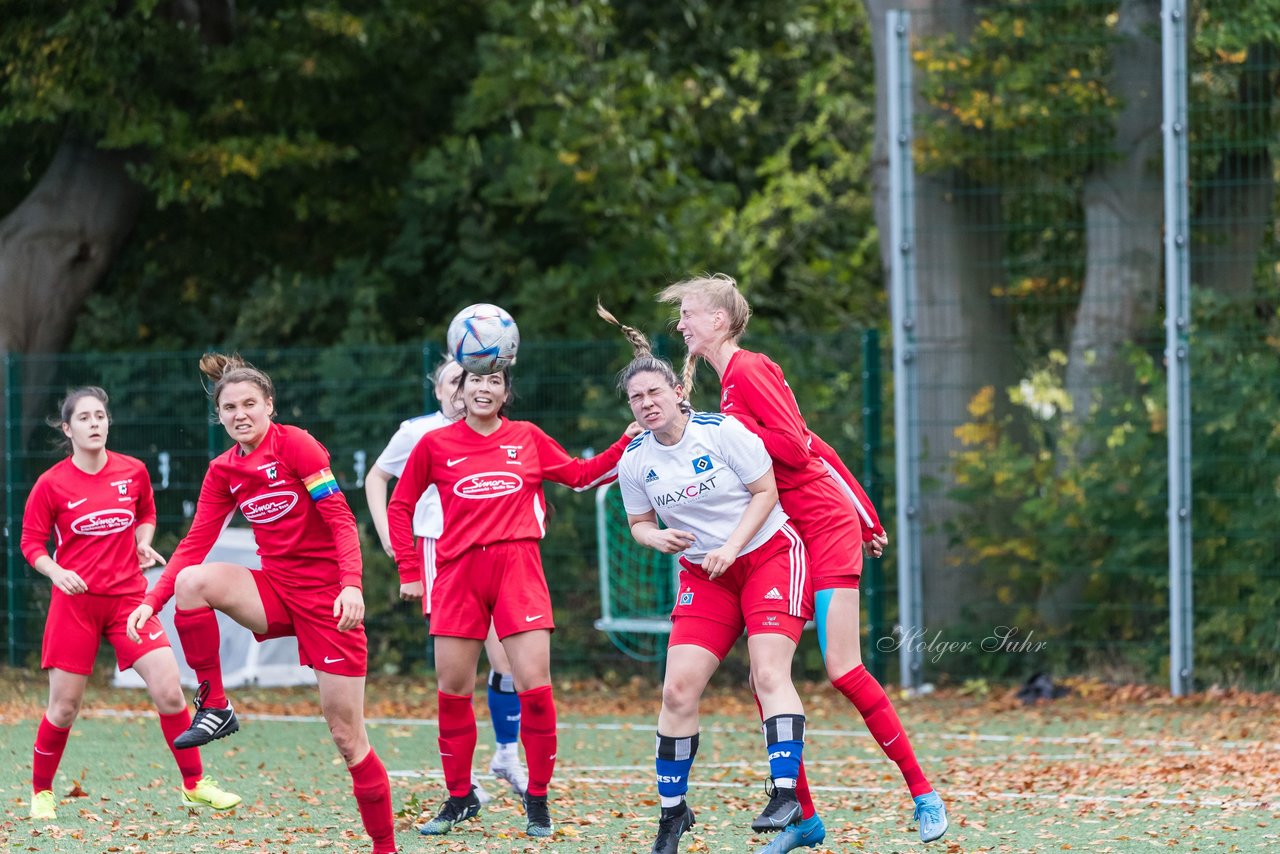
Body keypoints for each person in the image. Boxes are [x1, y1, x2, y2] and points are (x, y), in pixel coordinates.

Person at [659, 274, 949, 847]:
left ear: (719, 320)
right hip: (787, 534)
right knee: (766, 678)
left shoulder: (748, 369)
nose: (682, 323)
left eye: (689, 313)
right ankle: (807, 820)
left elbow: (795, 447)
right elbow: (816, 443)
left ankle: (924, 794)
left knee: (843, 669)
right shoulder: (728, 387)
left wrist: (859, 517)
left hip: (822, 525)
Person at [124, 354, 397, 854]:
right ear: (220, 415)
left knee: (346, 736)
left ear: (269, 405)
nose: (240, 414)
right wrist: (151, 598)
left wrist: (352, 585)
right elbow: (194, 542)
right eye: (229, 407)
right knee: (190, 582)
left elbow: (340, 519)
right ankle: (217, 706)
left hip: (327, 601)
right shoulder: (223, 470)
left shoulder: (296, 445)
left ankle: (385, 847)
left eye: (250, 403)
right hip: (273, 590)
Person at [387, 364, 637, 839]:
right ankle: (460, 797)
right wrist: (410, 571)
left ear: (506, 392)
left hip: (518, 569)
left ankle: (538, 800)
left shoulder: (527, 437)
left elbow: (582, 475)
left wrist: (626, 441)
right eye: (474, 381)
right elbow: (400, 505)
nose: (484, 388)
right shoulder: (434, 445)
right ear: (459, 391)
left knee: (535, 688)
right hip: (457, 574)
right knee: (452, 690)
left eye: (494, 381)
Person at [600, 306, 815, 854]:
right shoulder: (635, 461)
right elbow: (638, 523)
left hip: (767, 553)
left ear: (677, 391)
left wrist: (731, 546)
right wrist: (654, 540)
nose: (647, 404)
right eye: (636, 398)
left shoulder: (723, 432)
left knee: (768, 674)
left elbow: (767, 492)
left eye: (655, 393)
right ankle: (673, 813)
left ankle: (785, 794)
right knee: (676, 689)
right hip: (707, 575)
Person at [20, 387, 240, 821]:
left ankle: (195, 786)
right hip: (75, 606)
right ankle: (42, 790)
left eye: (100, 416)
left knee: (170, 691)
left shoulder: (133, 471)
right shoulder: (51, 484)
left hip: (129, 602)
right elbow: (31, 544)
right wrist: (56, 571)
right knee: (64, 708)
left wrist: (142, 542)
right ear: (68, 428)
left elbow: (146, 515)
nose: (94, 424)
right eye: (84, 418)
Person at [364, 356, 528, 799]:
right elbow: (377, 478)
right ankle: (464, 777)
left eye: (475, 378)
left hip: (496, 553)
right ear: (440, 390)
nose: (466, 386)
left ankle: (506, 754)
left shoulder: (500, 428)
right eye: (456, 379)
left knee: (508, 663)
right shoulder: (420, 431)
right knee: (459, 672)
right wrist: (391, 540)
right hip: (441, 550)